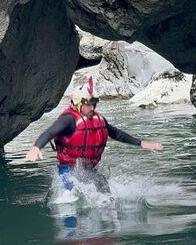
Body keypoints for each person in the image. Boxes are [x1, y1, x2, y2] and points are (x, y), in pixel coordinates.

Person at [26, 76, 163, 193]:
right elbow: (49, 132)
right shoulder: (68, 120)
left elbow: (116, 133)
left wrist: (142, 143)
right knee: (69, 194)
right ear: (78, 104)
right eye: (88, 105)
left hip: (88, 169)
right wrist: (36, 147)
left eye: (94, 104)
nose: (92, 108)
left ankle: (108, 219)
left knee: (102, 183)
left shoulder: (98, 119)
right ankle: (69, 221)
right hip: (67, 170)